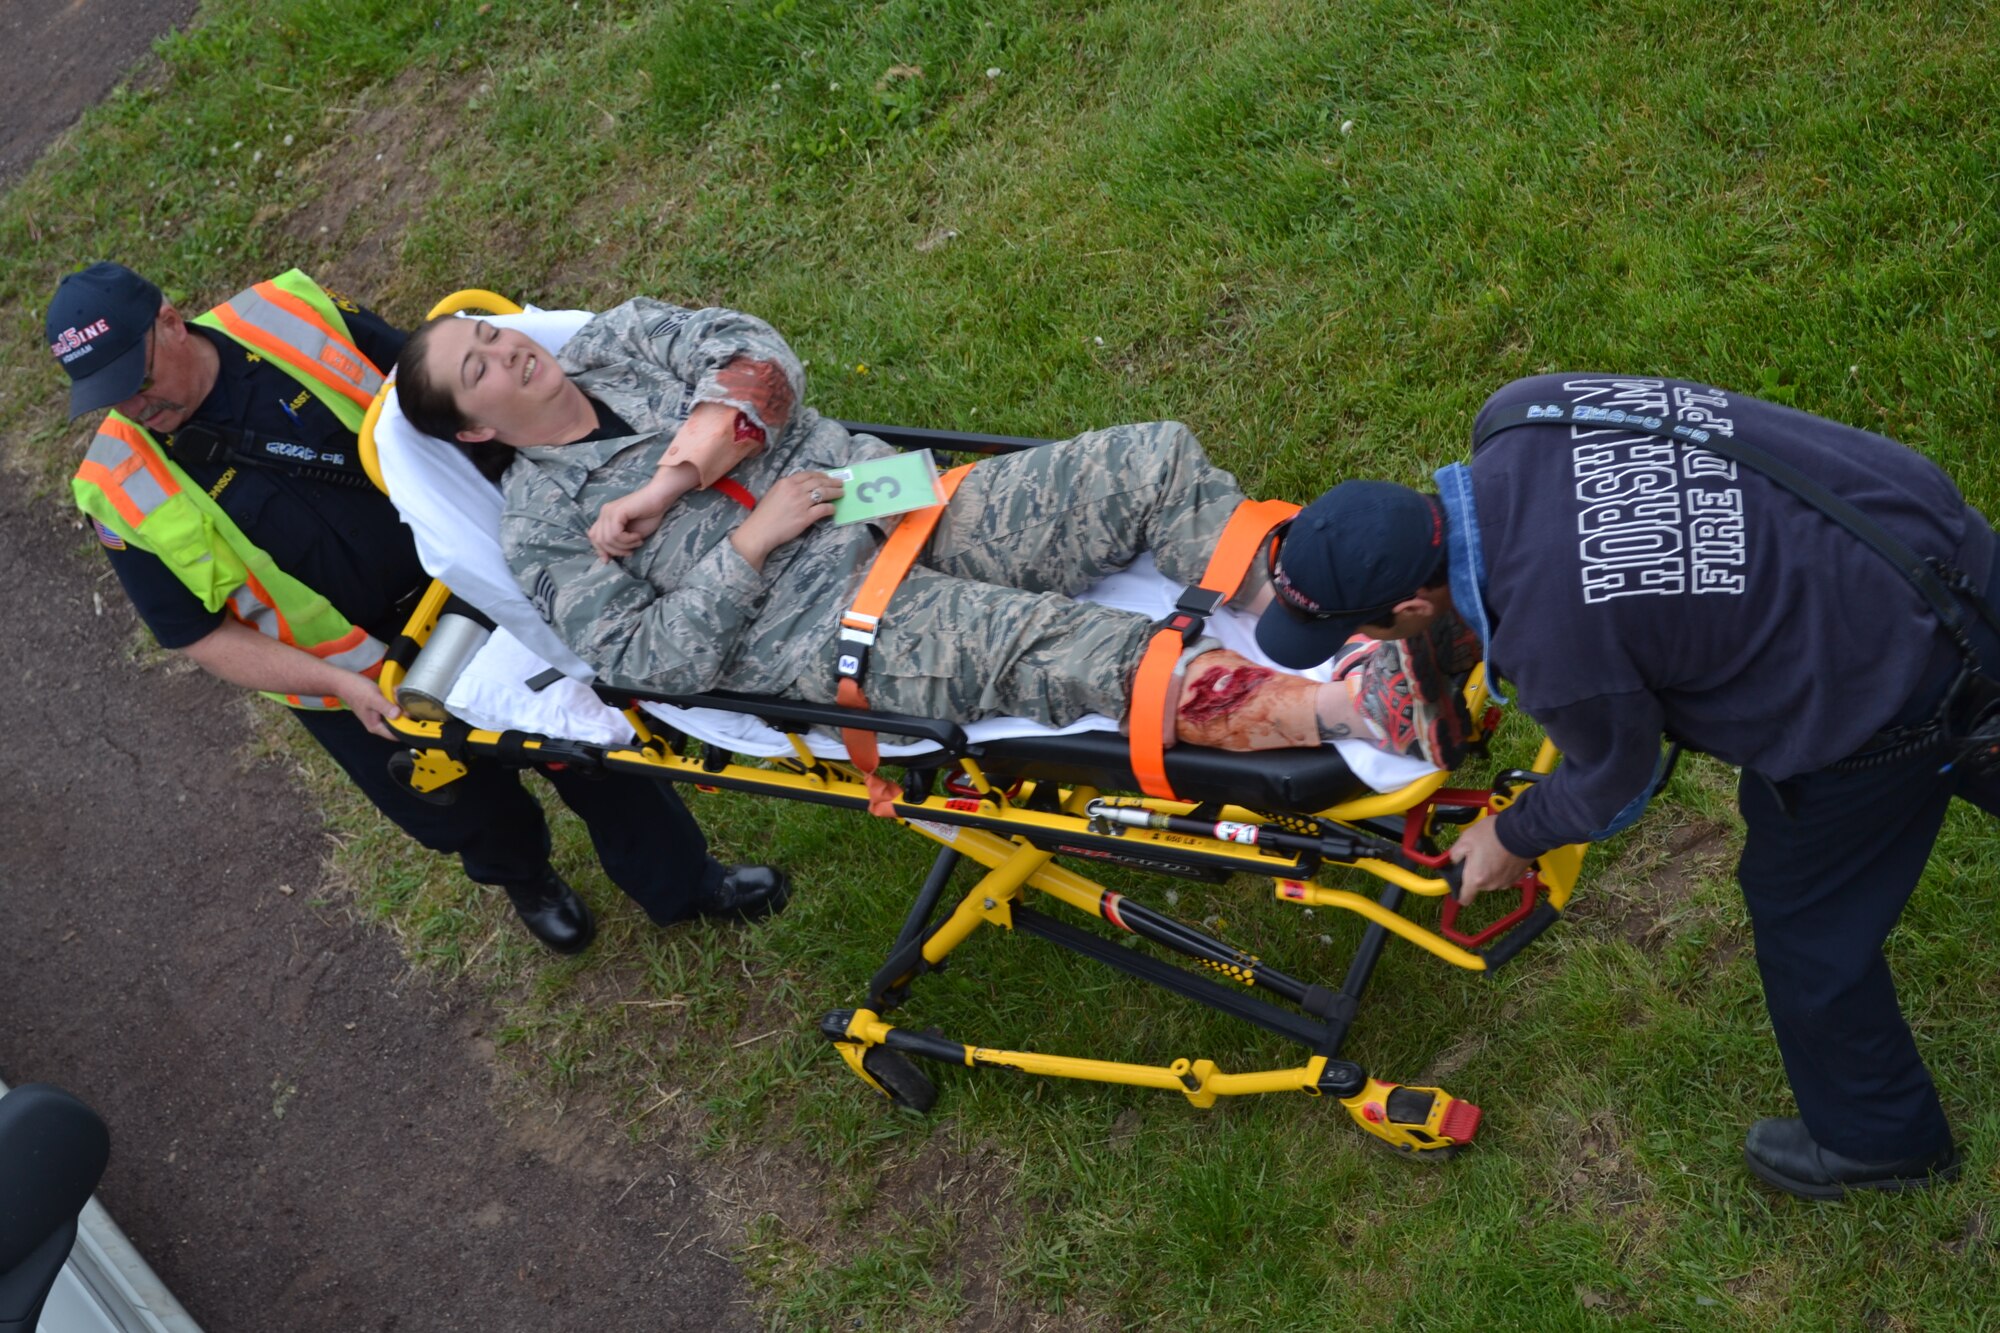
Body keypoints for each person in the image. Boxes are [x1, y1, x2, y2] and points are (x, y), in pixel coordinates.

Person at [1257, 372, 2000, 1198]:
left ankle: (1878, 1139)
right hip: (1934, 545)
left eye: (1356, 629)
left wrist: (1511, 835)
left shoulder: (1552, 639)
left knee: (1804, 918)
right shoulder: (1521, 410)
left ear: (1409, 606)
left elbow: (1618, 775)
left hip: (1885, 680)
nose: (1357, 642)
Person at [47, 264, 790, 956]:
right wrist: (339, 686)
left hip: (480, 591)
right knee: (462, 805)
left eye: (139, 378)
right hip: (360, 676)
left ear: (172, 322)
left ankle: (684, 883)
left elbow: (435, 396)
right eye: (112, 395)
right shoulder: (117, 490)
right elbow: (200, 634)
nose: (137, 406)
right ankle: (527, 879)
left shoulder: (287, 313)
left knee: (593, 748)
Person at [392, 299, 1474, 764]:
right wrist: (746, 544)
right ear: (479, 426)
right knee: (1062, 645)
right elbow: (643, 661)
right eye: (476, 367)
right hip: (813, 622)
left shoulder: (624, 340)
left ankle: (1307, 604)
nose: (507, 350)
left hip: (879, 494)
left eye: (492, 333)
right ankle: (1357, 703)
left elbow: (761, 360)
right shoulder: (544, 528)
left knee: (1142, 461)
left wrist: (674, 478)